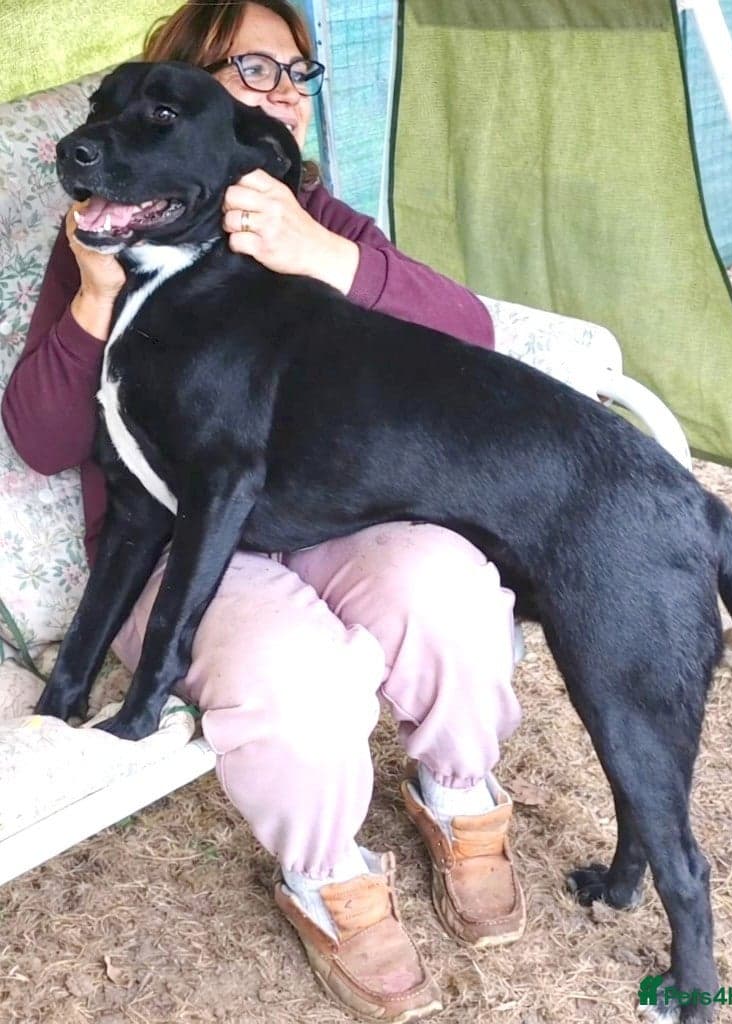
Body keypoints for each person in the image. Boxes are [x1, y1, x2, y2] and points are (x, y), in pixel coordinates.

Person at [1, 2, 526, 1020]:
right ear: (180, 102)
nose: (285, 86)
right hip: (172, 541)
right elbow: (43, 439)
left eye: (298, 72)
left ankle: (458, 789)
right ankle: (325, 870)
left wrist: (320, 255)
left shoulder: (312, 216)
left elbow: (471, 332)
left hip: (331, 510)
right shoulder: (104, 235)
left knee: (448, 591)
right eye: (251, 65)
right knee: (292, 676)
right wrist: (96, 296)